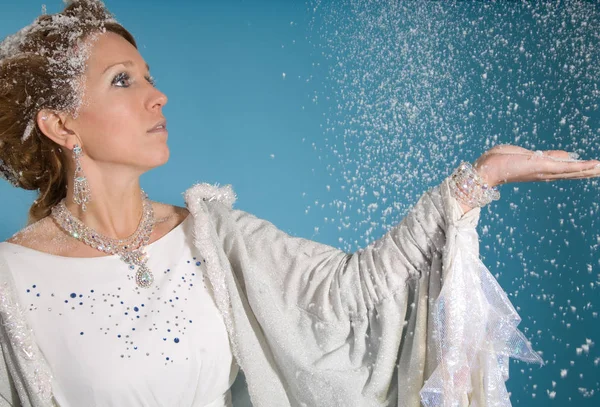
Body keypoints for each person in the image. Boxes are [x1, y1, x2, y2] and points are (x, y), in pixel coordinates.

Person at [0, 1, 598, 406]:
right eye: (122, 80)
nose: (158, 95)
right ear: (60, 125)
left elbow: (349, 296)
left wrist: (473, 182)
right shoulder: (11, 282)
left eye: (148, 75)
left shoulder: (212, 238)